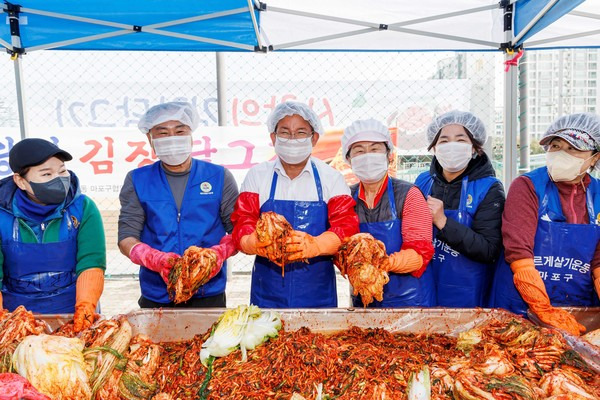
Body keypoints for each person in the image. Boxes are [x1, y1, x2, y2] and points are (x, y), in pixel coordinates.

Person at [232, 101, 359, 308]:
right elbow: (243, 221)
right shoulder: (257, 176)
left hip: (317, 293)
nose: (292, 139)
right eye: (285, 132)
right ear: (273, 138)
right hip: (267, 293)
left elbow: (346, 227)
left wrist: (316, 245)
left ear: (314, 138)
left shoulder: (331, 178)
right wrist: (251, 242)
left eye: (301, 132)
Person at [118, 102, 238, 308]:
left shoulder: (218, 176)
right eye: (163, 133)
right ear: (150, 139)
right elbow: (126, 237)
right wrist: (153, 258)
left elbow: (238, 229)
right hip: (157, 292)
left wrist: (217, 255)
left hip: (208, 290)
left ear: (191, 135)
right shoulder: (138, 180)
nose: (172, 138)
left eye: (179, 131)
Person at [491, 113, 600, 336]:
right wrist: (542, 307)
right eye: (556, 146)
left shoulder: (598, 194)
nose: (562, 154)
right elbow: (518, 251)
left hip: (576, 304)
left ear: (594, 157)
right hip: (520, 303)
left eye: (574, 149)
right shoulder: (528, 186)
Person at [0, 138, 105, 332]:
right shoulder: (2, 216)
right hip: (16, 316)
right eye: (46, 173)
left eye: (62, 170)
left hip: (73, 313)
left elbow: (91, 261)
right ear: (20, 181)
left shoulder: (83, 208)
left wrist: (86, 305)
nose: (58, 178)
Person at [415, 110, 505, 307]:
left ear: (474, 148)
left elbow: (489, 250)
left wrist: (443, 222)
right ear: (434, 148)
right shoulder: (423, 182)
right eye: (444, 141)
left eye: (461, 140)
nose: (452, 146)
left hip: (469, 294)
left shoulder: (489, 188)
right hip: (425, 288)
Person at [343, 119, 435, 307]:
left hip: (410, 301)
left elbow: (419, 255)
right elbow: (341, 247)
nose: (367, 156)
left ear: (389, 156)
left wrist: (382, 263)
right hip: (363, 300)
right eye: (359, 151)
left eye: (375, 149)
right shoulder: (346, 197)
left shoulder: (409, 194)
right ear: (349, 160)